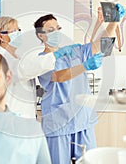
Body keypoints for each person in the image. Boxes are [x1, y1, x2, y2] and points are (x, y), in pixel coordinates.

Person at [34, 14, 103, 164]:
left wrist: (113, 22)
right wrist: (85, 66)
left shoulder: (73, 51)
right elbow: (59, 76)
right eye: (51, 30)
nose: (57, 32)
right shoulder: (41, 61)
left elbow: (101, 45)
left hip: (82, 120)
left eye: (58, 28)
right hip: (58, 123)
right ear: (41, 35)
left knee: (90, 161)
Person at [0, 16, 86, 118]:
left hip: (24, 116)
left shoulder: (17, 57)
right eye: (14, 31)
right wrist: (57, 55)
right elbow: (24, 70)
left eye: (19, 30)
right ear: (1, 37)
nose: (19, 34)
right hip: (11, 117)